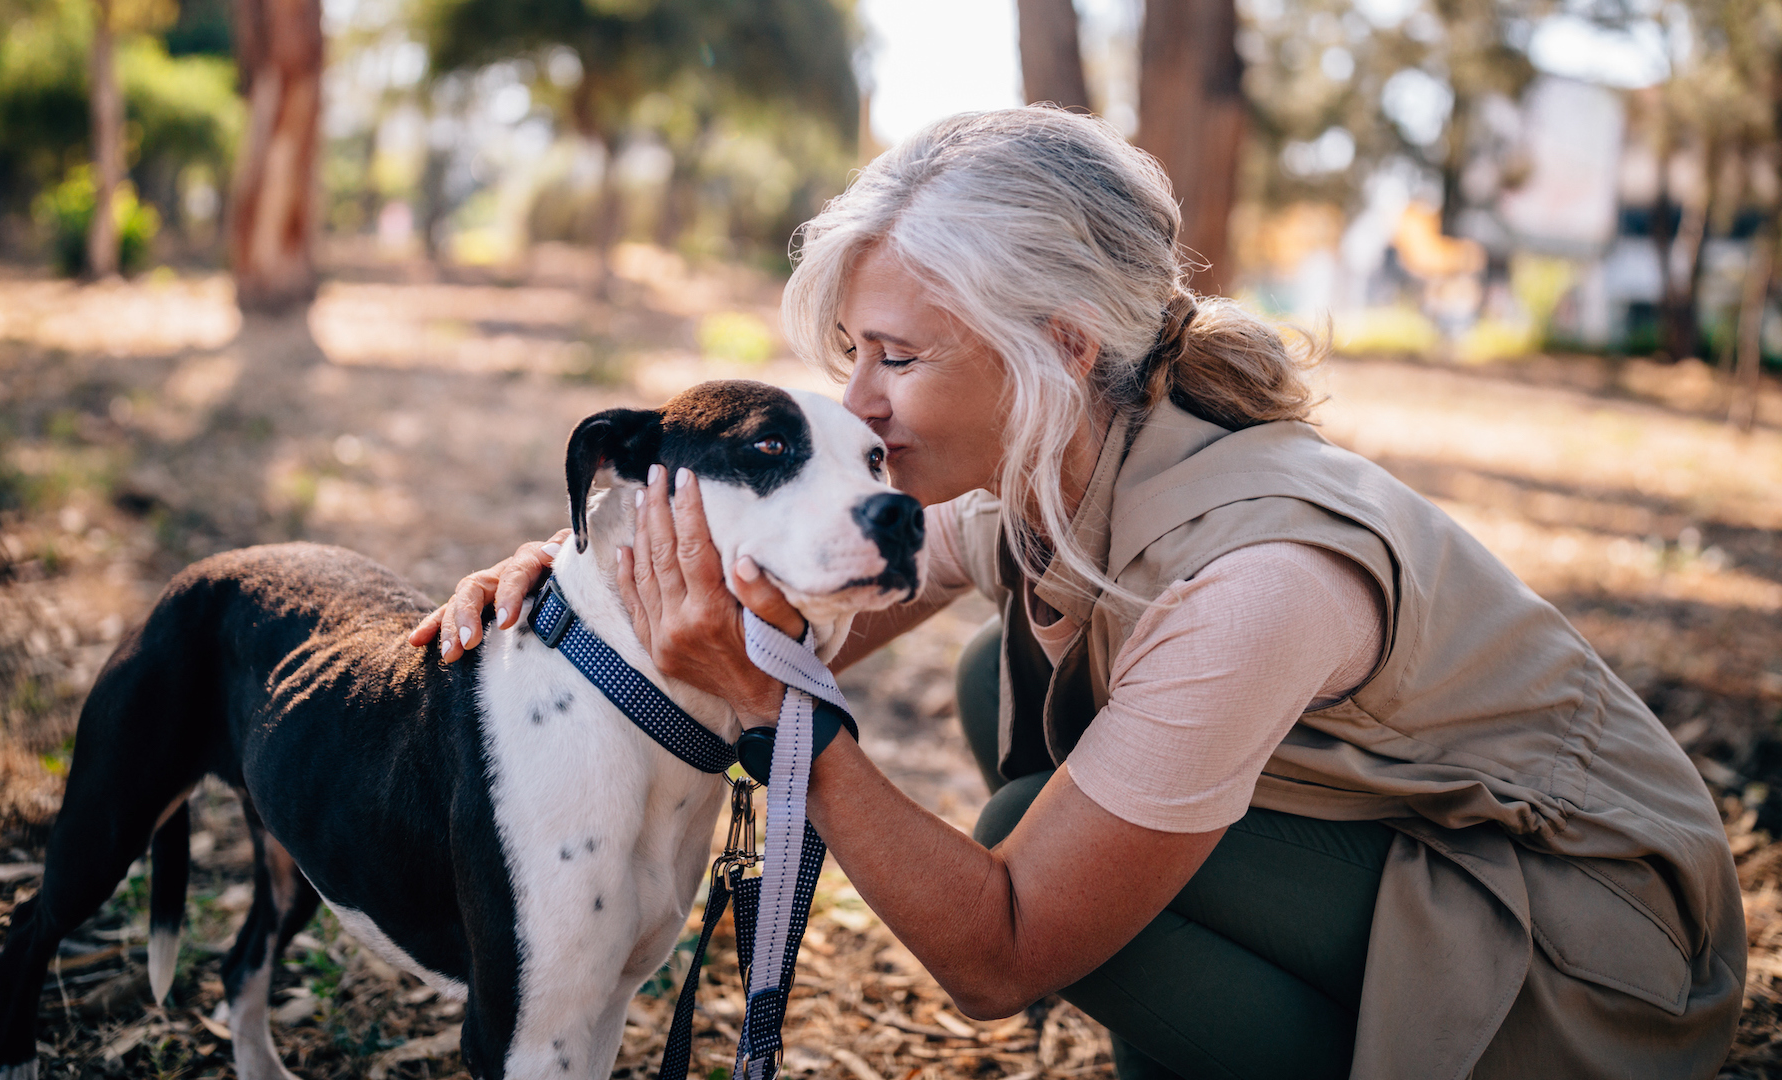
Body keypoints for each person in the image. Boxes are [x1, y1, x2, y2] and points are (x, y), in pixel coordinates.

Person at [409, 108, 1744, 1080]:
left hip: (1591, 962)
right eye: (845, 354)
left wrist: (778, 718)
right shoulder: (1046, 464)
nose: (858, 402)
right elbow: (804, 593)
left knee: (1022, 827)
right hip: (1428, 845)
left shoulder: (1257, 583)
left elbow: (996, 960)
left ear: (1056, 347)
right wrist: (588, 584)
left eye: (895, 357)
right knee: (1014, 682)